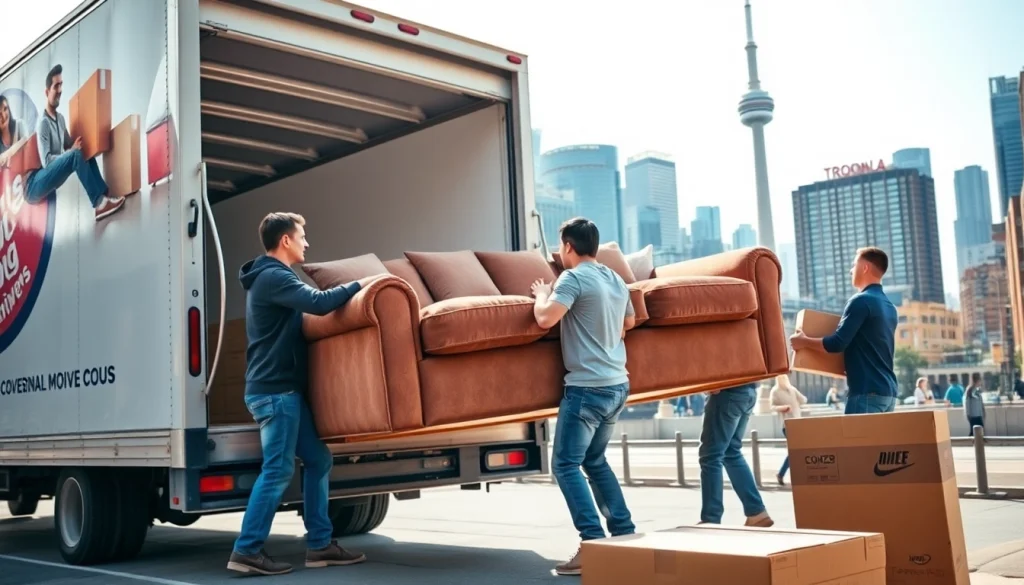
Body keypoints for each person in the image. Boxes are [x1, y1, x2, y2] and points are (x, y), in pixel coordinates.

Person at [227, 212, 366, 576]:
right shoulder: (274, 277)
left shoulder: (271, 278)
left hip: (282, 391)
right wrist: (361, 284)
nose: (307, 243)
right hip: (276, 393)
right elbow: (320, 303)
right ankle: (247, 550)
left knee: (318, 459)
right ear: (285, 241)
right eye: (302, 236)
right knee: (277, 470)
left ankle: (320, 545)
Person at [530, 217, 636, 577]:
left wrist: (542, 294)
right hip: (618, 384)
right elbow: (630, 322)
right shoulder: (615, 278)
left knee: (565, 465)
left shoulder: (572, 278)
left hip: (587, 389)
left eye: (561, 247)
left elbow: (545, 319)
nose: (560, 253)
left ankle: (592, 542)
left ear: (569, 247)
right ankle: (623, 536)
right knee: (595, 461)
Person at [789, 247, 898, 415]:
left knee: (855, 442)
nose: (850, 270)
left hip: (866, 392)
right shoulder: (890, 307)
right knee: (879, 442)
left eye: (854, 265)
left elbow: (837, 343)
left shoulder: (860, 301)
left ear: (865, 267)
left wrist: (803, 341)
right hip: (888, 392)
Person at [23, 64, 125, 221]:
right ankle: (99, 203)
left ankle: (104, 195)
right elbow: (46, 161)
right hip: (34, 185)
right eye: (56, 86)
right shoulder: (43, 123)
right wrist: (72, 151)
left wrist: (79, 145)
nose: (60, 90)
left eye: (61, 85)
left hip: (48, 174)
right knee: (76, 154)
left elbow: (70, 147)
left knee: (81, 152)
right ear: (46, 91)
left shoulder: (61, 119)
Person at [697, 382, 773, 527]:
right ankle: (756, 512)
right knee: (731, 452)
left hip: (727, 392)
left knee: (710, 456)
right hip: (748, 392)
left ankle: (711, 518)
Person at [769, 374, 807, 486]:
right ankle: (784, 474)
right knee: (795, 451)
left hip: (798, 423)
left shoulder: (792, 389)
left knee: (797, 450)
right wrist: (783, 408)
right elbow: (772, 406)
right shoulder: (775, 391)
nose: (783, 379)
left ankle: (783, 474)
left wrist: (797, 403)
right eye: (781, 378)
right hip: (787, 425)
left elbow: (804, 399)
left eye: (784, 378)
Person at [964, 373, 985, 437]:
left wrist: (982, 413)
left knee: (978, 431)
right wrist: (968, 414)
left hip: (978, 415)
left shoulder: (978, 390)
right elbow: (967, 403)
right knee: (975, 432)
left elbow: (981, 403)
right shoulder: (970, 390)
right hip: (973, 415)